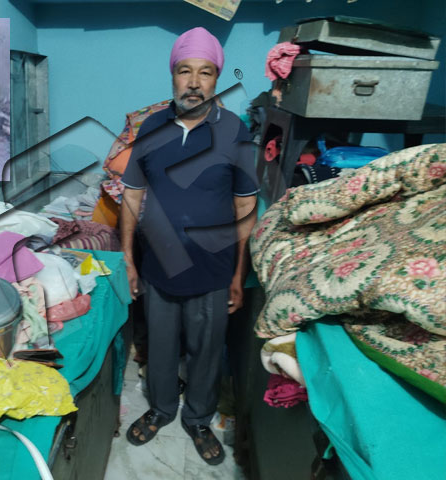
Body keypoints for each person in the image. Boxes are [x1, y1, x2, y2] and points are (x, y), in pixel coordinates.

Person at [120, 27, 258, 465]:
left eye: (205, 72)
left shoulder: (234, 131)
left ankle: (198, 418)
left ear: (216, 79)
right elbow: (132, 195)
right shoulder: (150, 127)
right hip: (159, 266)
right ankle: (161, 408)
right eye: (185, 71)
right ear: (173, 75)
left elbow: (245, 207)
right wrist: (128, 259)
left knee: (206, 350)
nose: (194, 82)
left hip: (213, 269)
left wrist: (238, 273)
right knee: (160, 347)